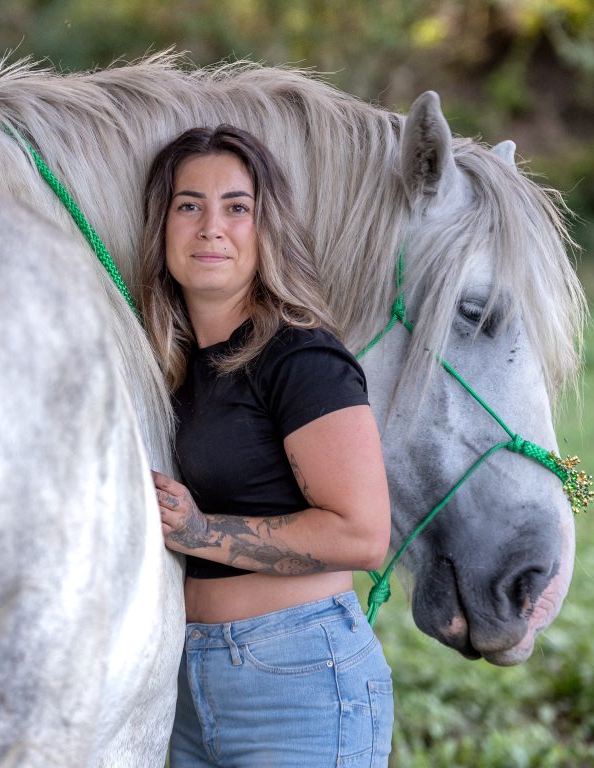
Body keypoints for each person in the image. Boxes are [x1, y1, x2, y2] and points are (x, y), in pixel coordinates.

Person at [138, 124, 394, 767]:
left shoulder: (300, 357)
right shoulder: (168, 370)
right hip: (187, 687)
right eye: (188, 205)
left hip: (300, 679)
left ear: (266, 228)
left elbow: (362, 534)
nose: (210, 227)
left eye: (237, 207)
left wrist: (201, 532)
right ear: (161, 227)